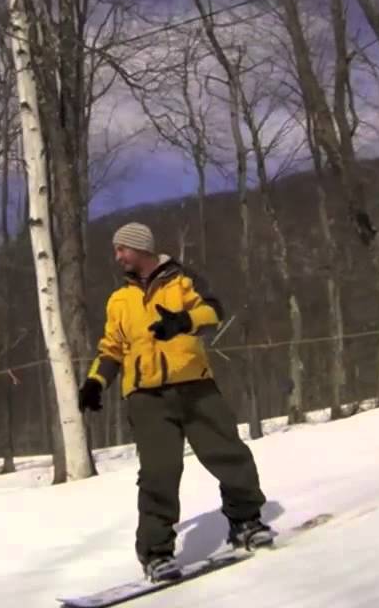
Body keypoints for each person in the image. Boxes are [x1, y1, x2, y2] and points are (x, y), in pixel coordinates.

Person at [77, 221, 276, 582]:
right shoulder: (119, 300)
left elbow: (213, 311)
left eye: (122, 248)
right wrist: (95, 382)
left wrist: (183, 321)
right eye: (116, 249)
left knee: (228, 454)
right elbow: (111, 349)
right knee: (158, 475)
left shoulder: (183, 280)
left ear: (141, 248)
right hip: (145, 398)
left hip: (195, 386)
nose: (117, 255)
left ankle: (246, 521)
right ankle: (156, 554)